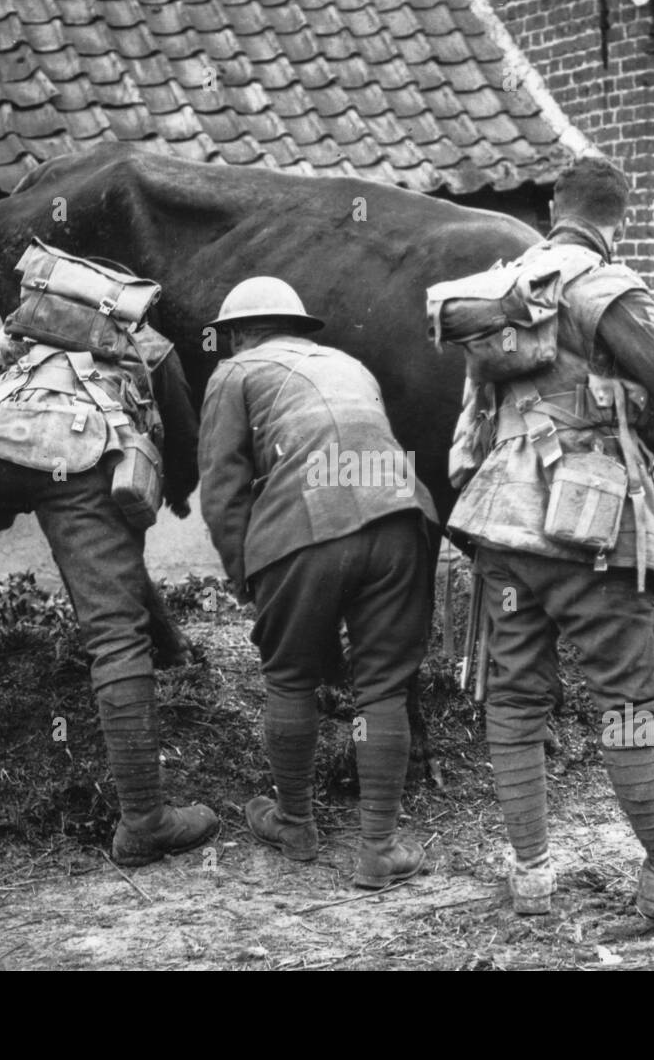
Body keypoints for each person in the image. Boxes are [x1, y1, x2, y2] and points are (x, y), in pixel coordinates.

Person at [448, 155, 654, 928]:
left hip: (501, 520)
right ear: (620, 214)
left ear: (553, 205)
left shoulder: (505, 287)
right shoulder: (600, 286)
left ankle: (530, 874)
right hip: (587, 528)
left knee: (517, 695)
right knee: (630, 706)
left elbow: (477, 416)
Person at [0, 309, 217, 869]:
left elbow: (0, 377)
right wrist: (173, 488)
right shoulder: (146, 338)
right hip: (81, 454)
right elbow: (181, 432)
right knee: (114, 632)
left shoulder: (33, 319)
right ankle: (145, 822)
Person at [198, 276, 439, 889]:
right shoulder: (348, 364)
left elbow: (223, 492)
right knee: (383, 686)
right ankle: (379, 848)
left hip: (304, 526)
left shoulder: (234, 373)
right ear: (295, 326)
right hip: (399, 515)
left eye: (227, 338)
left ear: (238, 334)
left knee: (290, 676)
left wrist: (244, 574)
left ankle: (295, 822)